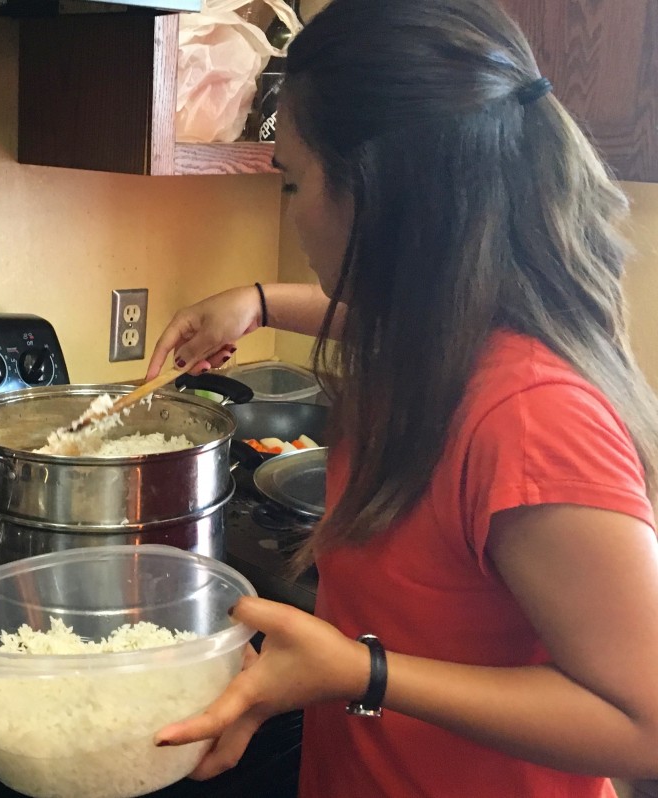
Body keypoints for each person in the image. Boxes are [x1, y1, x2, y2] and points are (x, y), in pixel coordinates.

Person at [146, 0, 658, 796]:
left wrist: (358, 671)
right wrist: (261, 300)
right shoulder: (444, 346)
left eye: (292, 182)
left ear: (376, 196)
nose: (296, 214)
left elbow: (644, 726)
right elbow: (401, 323)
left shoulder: (531, 417)